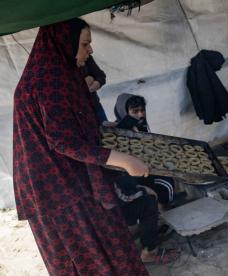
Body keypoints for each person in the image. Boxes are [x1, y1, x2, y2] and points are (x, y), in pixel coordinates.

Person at [13, 18, 150, 275]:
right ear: (65, 42)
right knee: (89, 257)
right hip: (56, 190)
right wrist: (124, 159)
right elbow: (63, 140)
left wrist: (98, 129)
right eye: (85, 44)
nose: (90, 51)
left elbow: (69, 121)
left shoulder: (62, 71)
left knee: (111, 244)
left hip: (71, 178)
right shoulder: (48, 80)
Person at [112, 94, 182, 263]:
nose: (140, 115)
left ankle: (159, 220)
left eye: (142, 110)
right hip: (123, 190)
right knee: (150, 199)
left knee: (167, 183)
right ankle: (149, 251)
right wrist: (144, 190)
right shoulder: (116, 135)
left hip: (139, 176)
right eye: (134, 111)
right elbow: (122, 185)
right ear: (123, 112)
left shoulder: (140, 126)